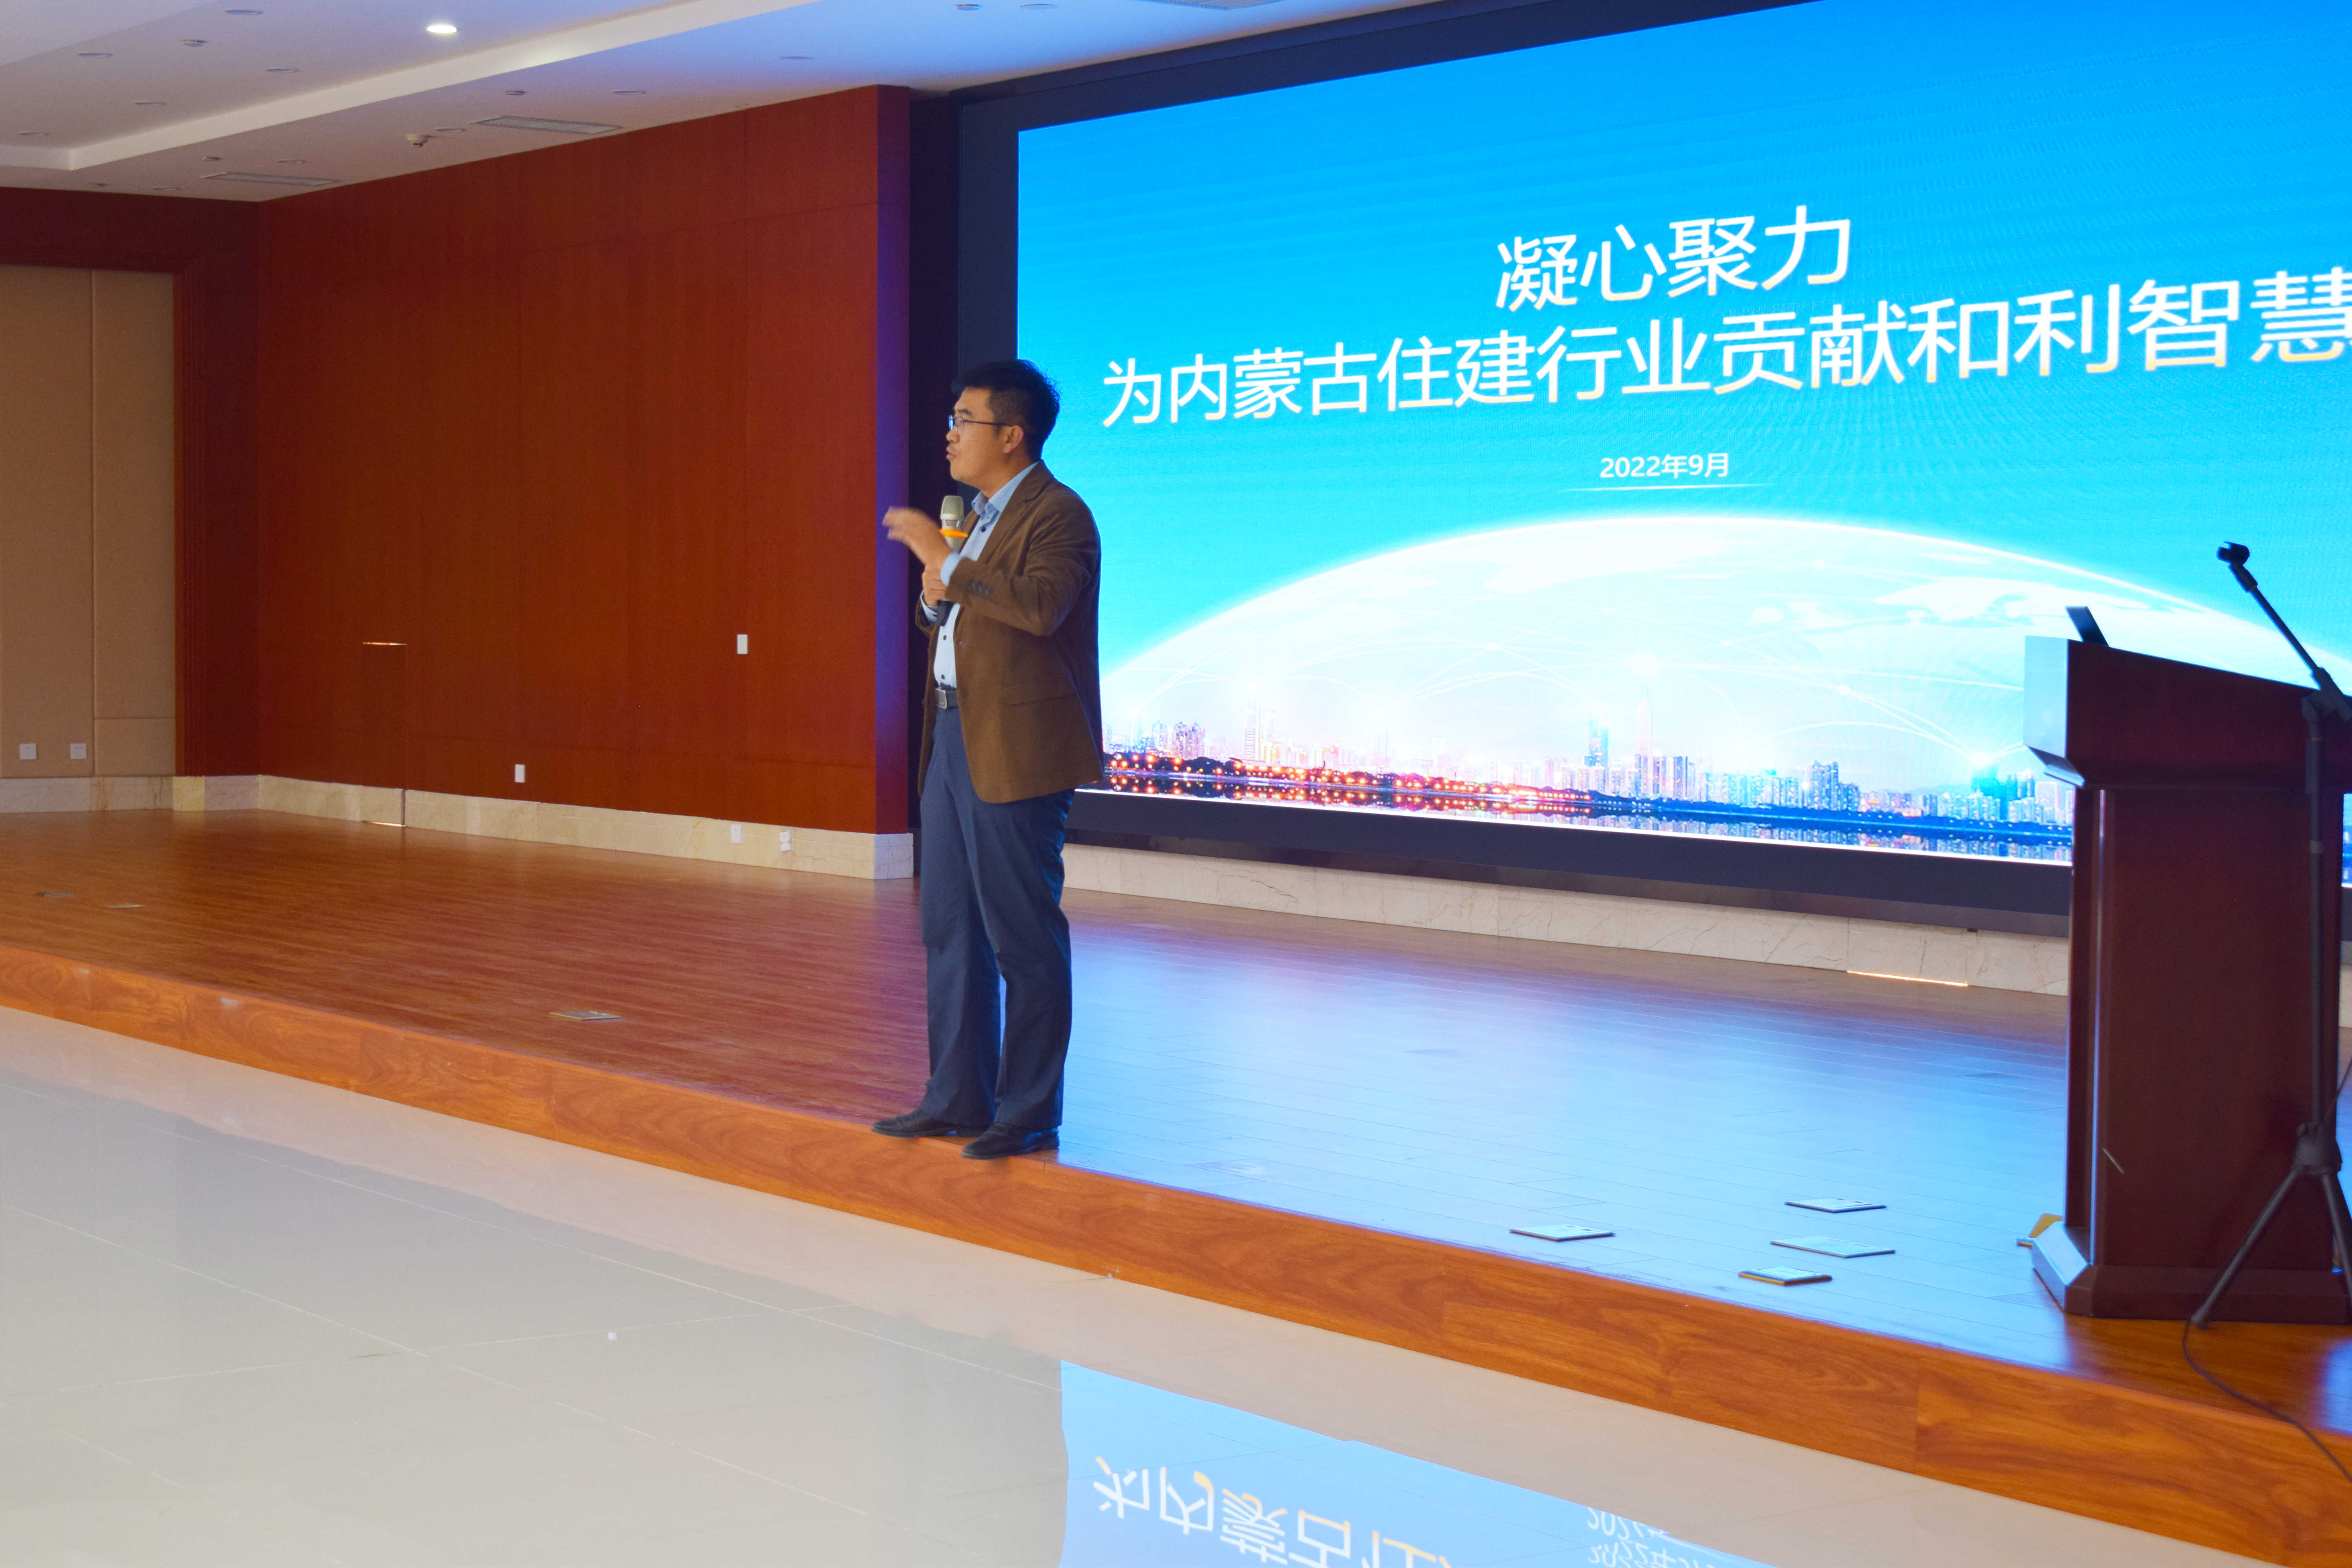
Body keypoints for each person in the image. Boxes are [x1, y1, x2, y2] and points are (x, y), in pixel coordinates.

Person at [876, 360, 1102, 1160]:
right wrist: (934, 590)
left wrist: (948, 566)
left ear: (1011, 434)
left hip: (1015, 746)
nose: (950, 433)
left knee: (1021, 934)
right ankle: (956, 1096)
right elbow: (951, 612)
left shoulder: (1059, 513)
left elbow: (1039, 606)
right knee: (951, 926)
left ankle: (1029, 1109)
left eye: (964, 420)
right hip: (952, 733)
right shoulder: (975, 515)